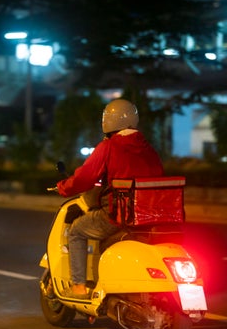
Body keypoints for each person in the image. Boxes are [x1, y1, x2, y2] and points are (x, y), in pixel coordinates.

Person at [55, 98, 164, 298]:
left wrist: (63, 187)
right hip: (150, 216)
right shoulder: (149, 149)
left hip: (120, 215)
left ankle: (79, 286)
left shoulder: (109, 147)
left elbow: (85, 177)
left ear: (108, 121)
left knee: (77, 231)